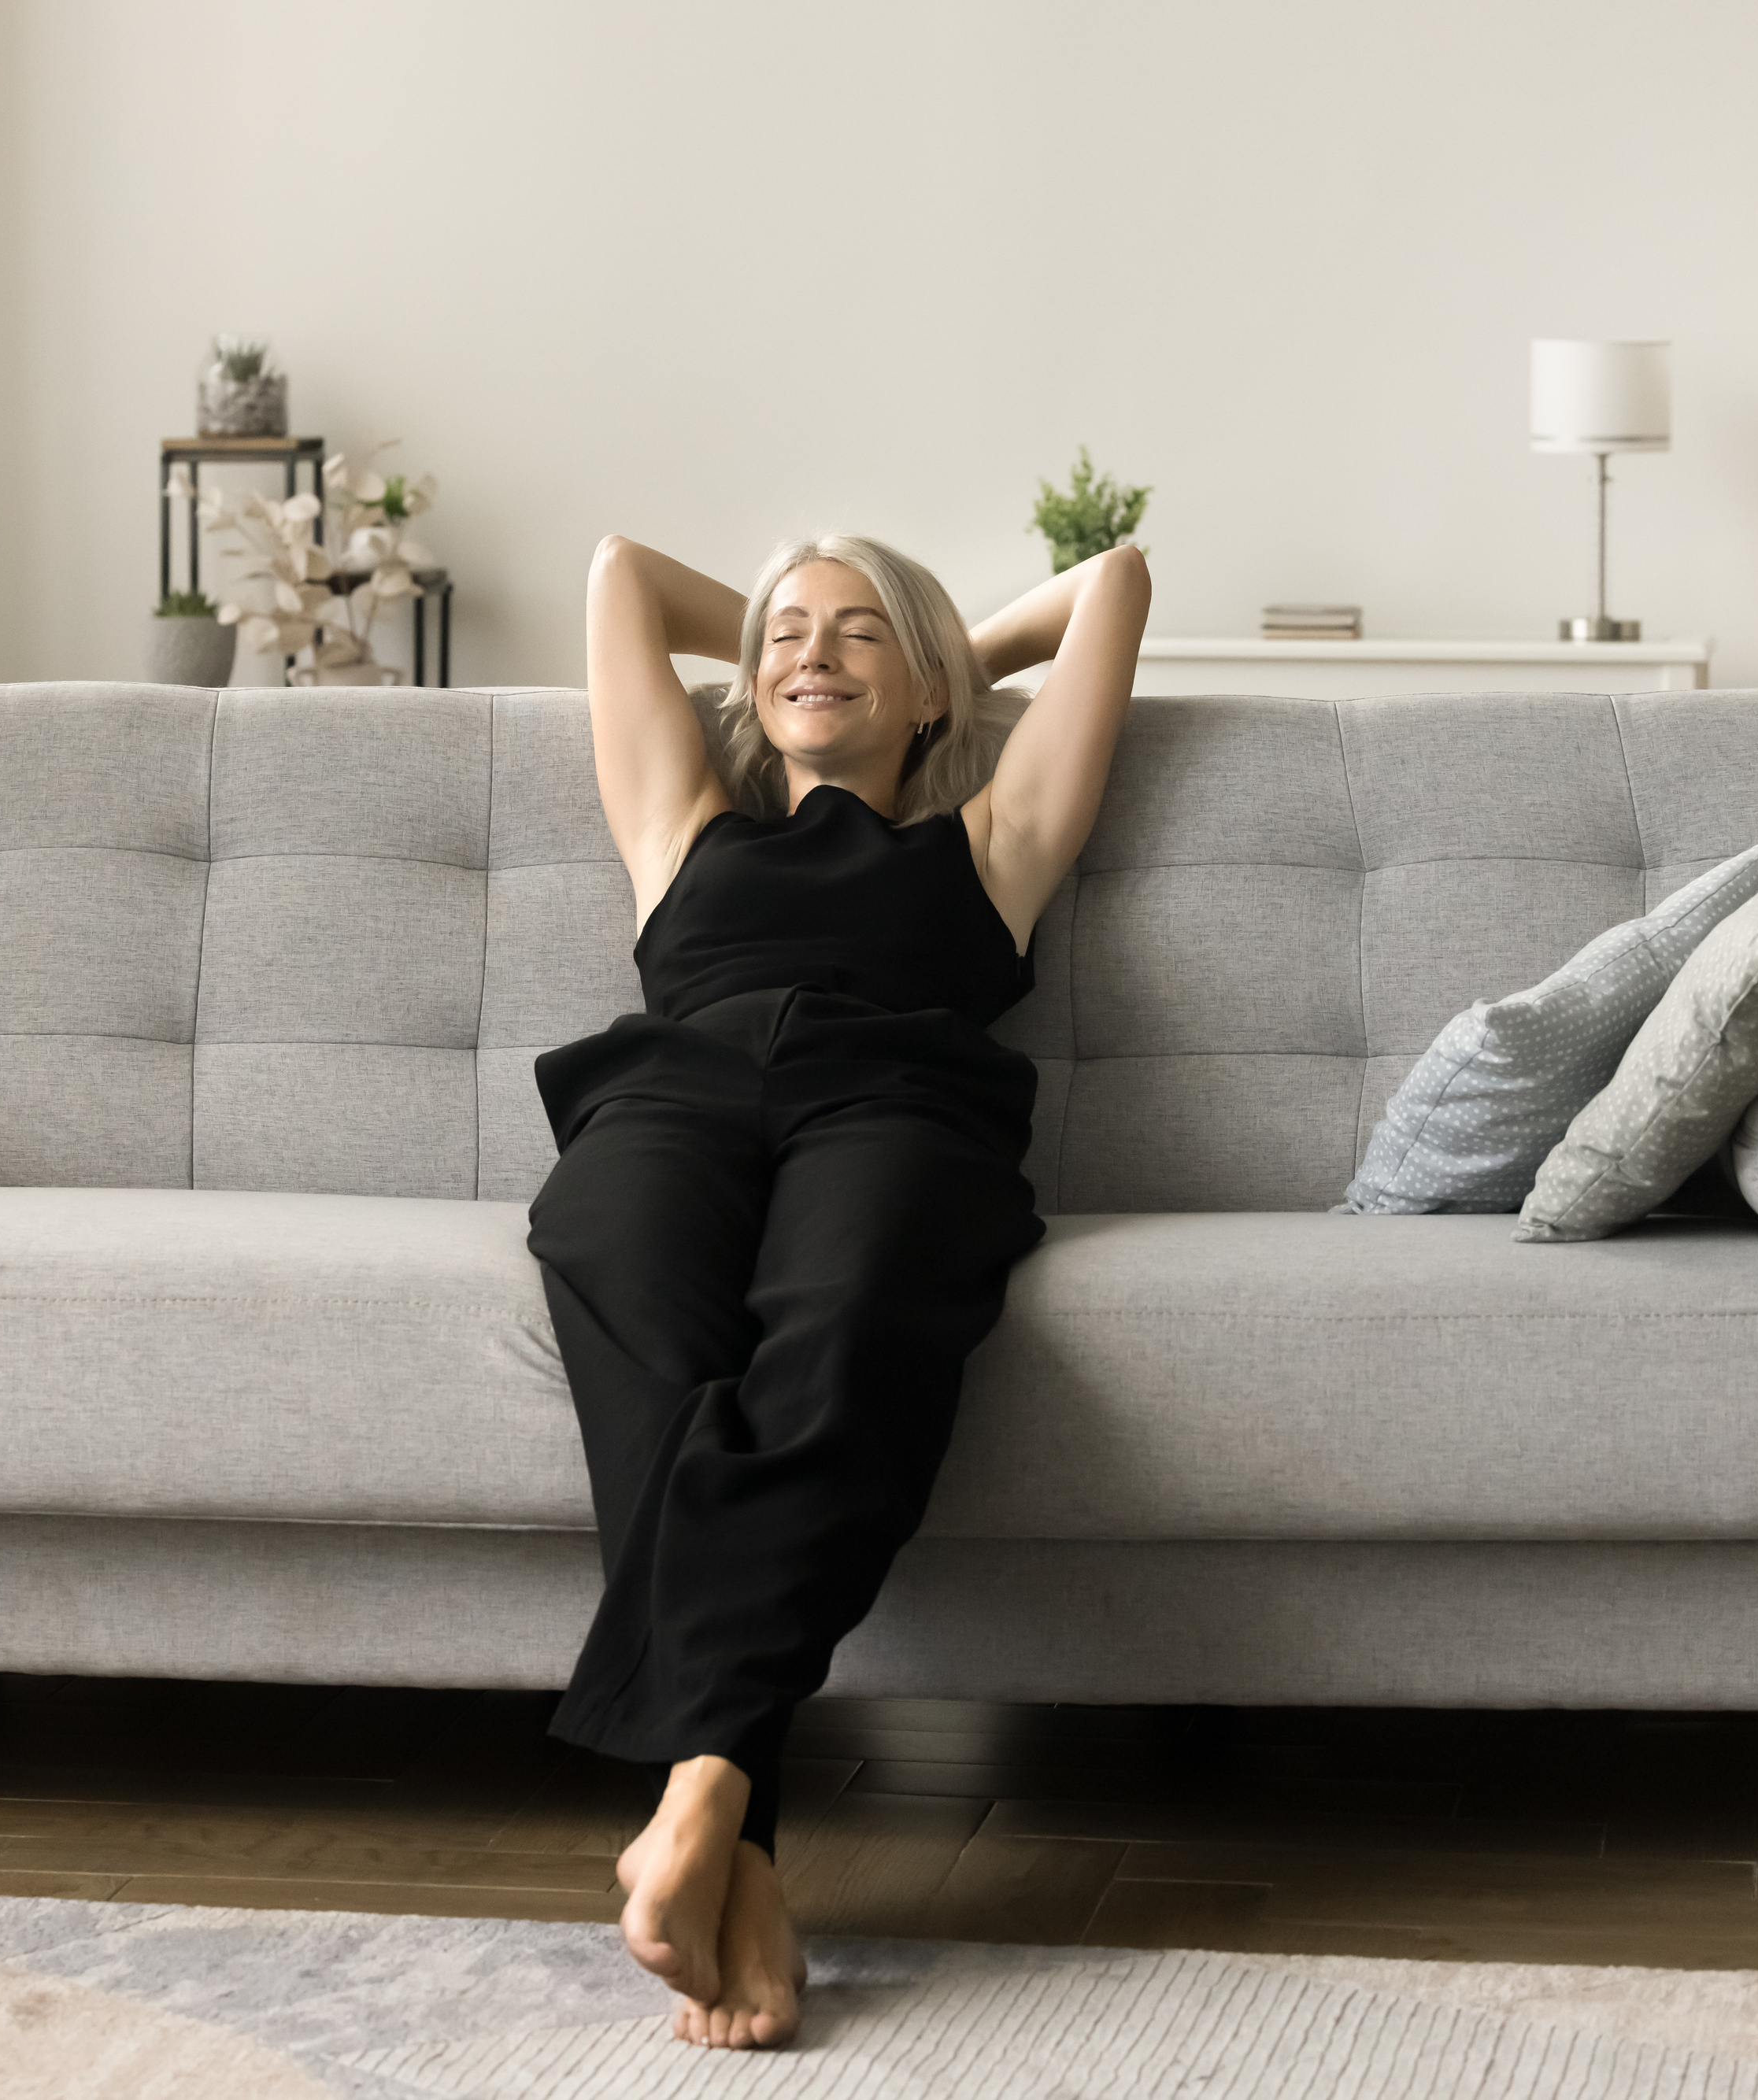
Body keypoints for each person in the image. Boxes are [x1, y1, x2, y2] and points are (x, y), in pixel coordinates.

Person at [528, 530, 1151, 2048]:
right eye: (787, 637)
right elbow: (616, 573)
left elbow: (1115, 580)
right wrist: (803, 636)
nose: (813, 653)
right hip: (674, 1093)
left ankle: (709, 1796)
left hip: (897, 1099)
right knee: (625, 1293)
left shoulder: (994, 841)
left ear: (928, 689)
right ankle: (728, 1836)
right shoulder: (680, 827)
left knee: (849, 1321)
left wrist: (947, 656)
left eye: (860, 637)